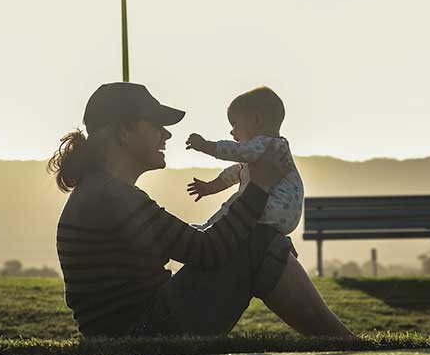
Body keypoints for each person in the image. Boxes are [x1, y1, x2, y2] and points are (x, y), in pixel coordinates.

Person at [48, 82, 352, 338]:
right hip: (145, 330)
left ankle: (342, 342)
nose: (166, 135)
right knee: (259, 241)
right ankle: (345, 344)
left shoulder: (101, 192)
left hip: (135, 327)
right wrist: (260, 185)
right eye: (155, 125)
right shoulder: (110, 196)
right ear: (124, 132)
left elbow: (190, 242)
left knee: (258, 239)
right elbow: (207, 250)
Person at [185, 86, 303, 237]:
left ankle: (209, 230)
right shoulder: (267, 150)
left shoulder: (268, 144)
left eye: (234, 124)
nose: (231, 132)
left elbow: (237, 151)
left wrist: (206, 146)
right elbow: (236, 173)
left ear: (256, 120)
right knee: (239, 202)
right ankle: (209, 228)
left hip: (272, 208)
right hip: (284, 215)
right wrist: (210, 187)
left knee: (236, 204)